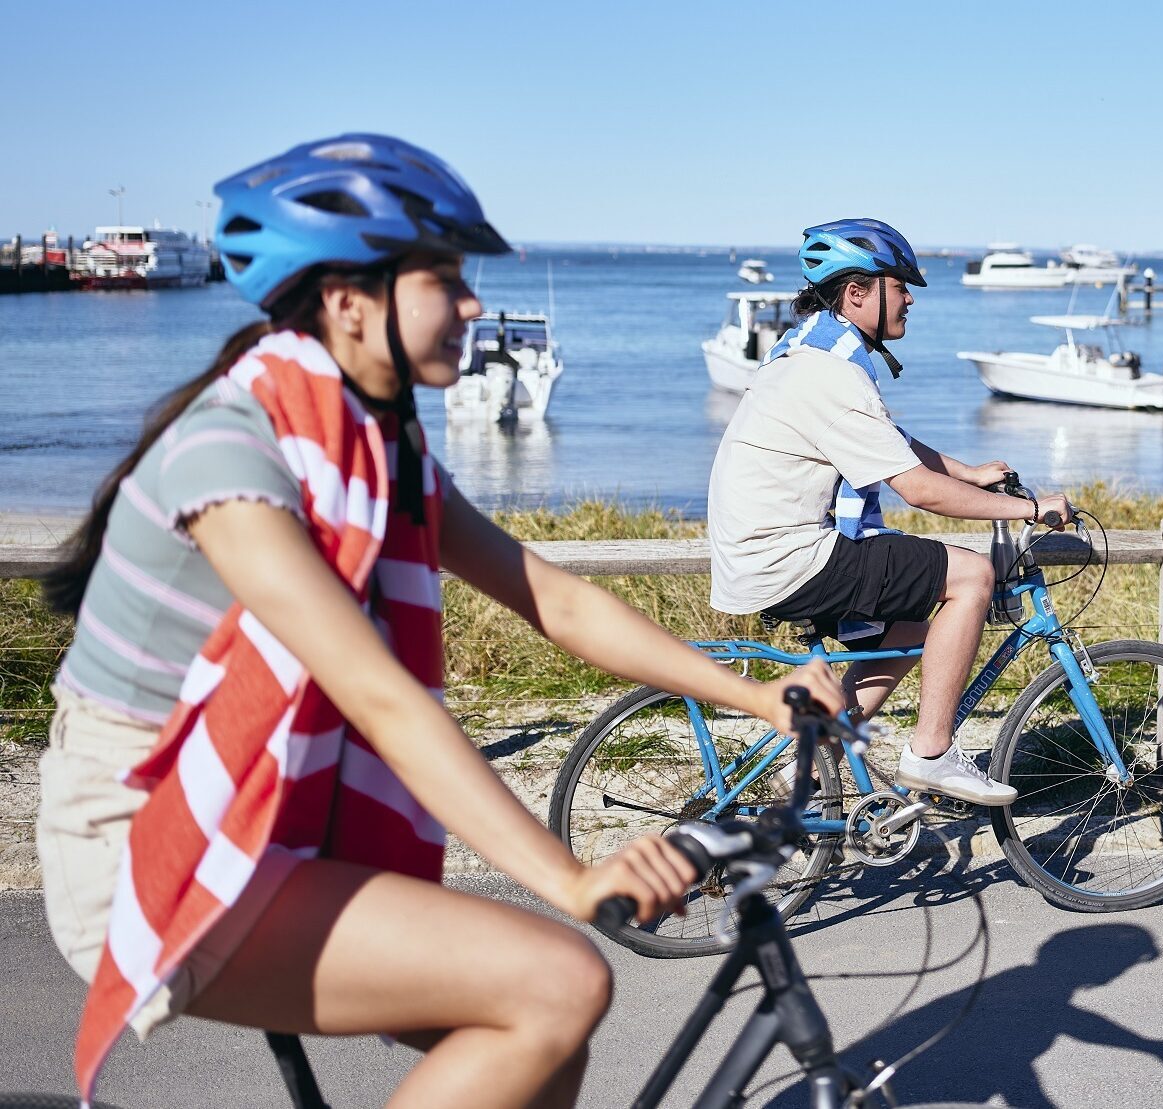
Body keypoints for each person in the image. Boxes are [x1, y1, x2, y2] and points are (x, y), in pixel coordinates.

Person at [36, 134, 842, 1108]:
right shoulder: (230, 453)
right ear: (348, 302)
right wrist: (571, 879)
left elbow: (554, 596)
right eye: (445, 278)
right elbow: (377, 693)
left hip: (276, 808)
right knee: (557, 979)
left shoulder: (382, 446)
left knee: (548, 1036)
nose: (471, 305)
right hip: (151, 834)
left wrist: (754, 692)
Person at [705, 218, 1071, 807]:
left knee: (906, 634)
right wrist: (1027, 508)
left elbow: (886, 440)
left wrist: (972, 473)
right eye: (900, 287)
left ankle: (796, 775)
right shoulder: (831, 372)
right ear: (857, 293)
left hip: (762, 555)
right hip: (789, 558)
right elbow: (919, 491)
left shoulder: (809, 351)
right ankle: (931, 752)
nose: (909, 301)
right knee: (971, 575)